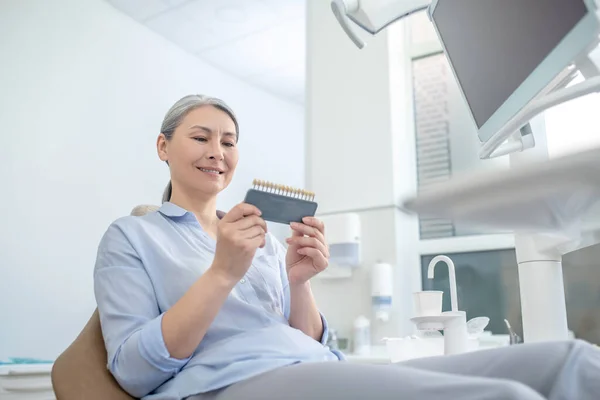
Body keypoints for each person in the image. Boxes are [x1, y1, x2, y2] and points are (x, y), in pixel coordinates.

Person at [94, 94, 600, 400]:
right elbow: (134, 373)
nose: (217, 152)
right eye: (200, 137)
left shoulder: (261, 239)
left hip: (309, 366)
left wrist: (297, 281)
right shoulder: (132, 237)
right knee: (504, 397)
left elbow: (315, 346)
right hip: (230, 383)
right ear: (164, 147)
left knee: (572, 364)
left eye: (228, 141)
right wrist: (221, 273)